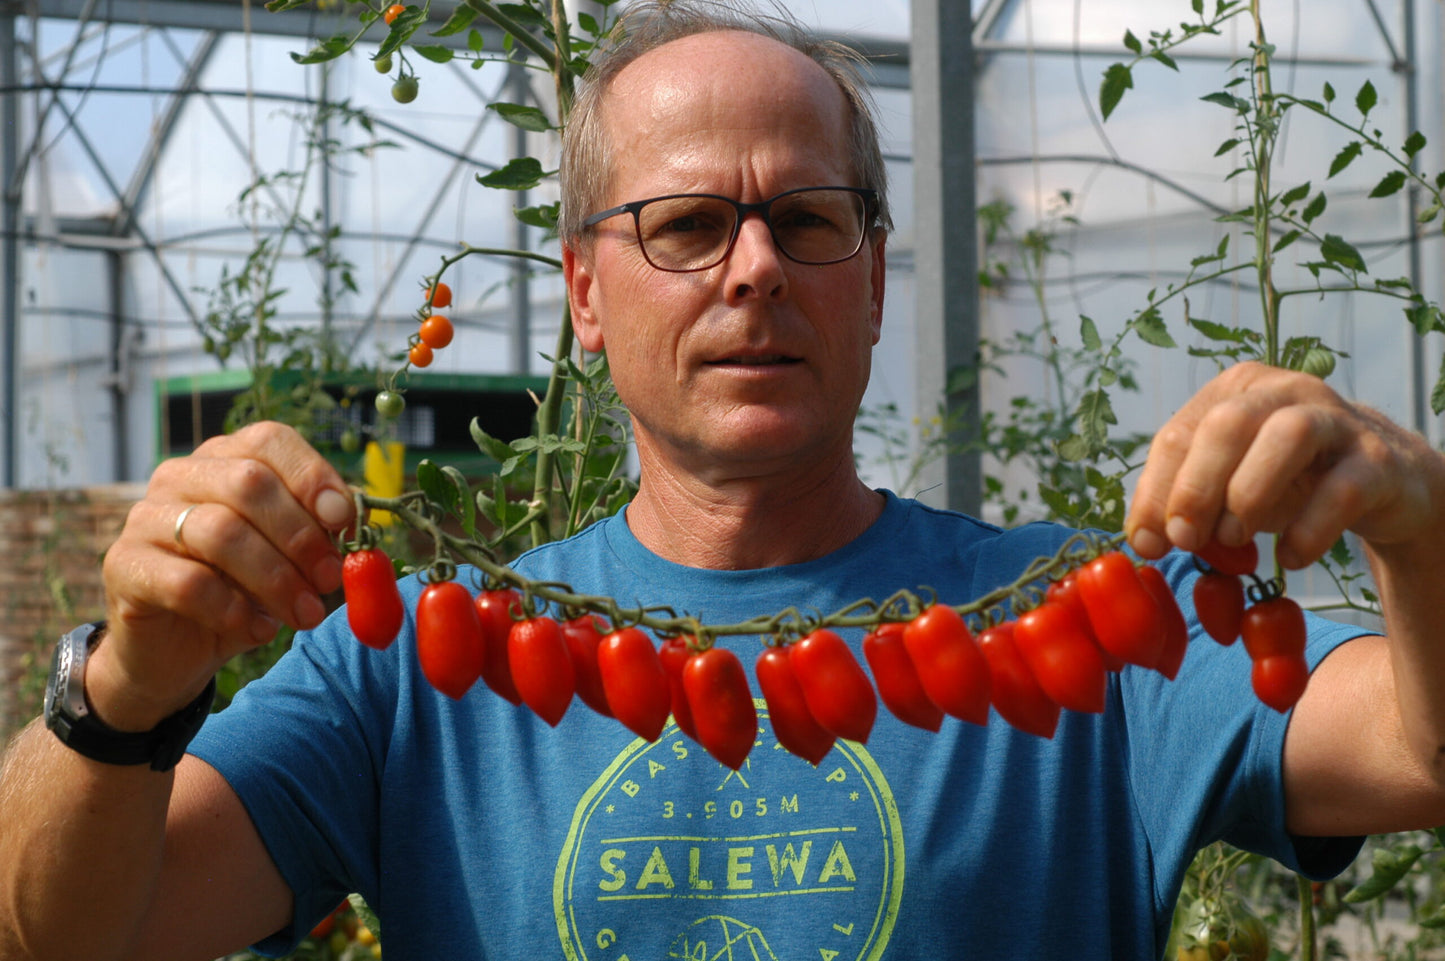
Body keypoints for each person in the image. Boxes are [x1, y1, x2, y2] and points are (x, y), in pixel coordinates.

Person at [3, 2, 1444, 958]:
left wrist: (1419, 525)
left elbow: (1419, 754)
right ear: (583, 291)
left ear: (873, 281)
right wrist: (126, 684)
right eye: (686, 224)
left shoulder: (1101, 628)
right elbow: (58, 934)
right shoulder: (407, 667)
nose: (754, 267)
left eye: (807, 219)